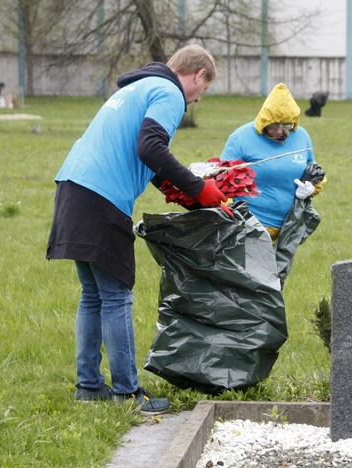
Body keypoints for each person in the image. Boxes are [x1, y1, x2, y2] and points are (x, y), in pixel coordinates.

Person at [46, 44, 226, 414]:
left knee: (94, 294)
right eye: (202, 90)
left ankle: (89, 387)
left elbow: (141, 151)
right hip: (101, 197)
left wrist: (175, 189)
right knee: (115, 295)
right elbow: (150, 147)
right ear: (198, 75)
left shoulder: (136, 88)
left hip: (73, 187)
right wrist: (198, 187)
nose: (196, 99)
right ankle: (128, 393)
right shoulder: (168, 93)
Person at [220, 82, 324, 241]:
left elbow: (314, 171)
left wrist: (312, 187)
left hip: (289, 227)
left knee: (280, 266)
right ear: (265, 122)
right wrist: (230, 218)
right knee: (256, 266)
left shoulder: (302, 136)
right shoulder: (241, 138)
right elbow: (222, 180)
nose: (281, 131)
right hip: (249, 226)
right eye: (275, 125)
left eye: (287, 124)